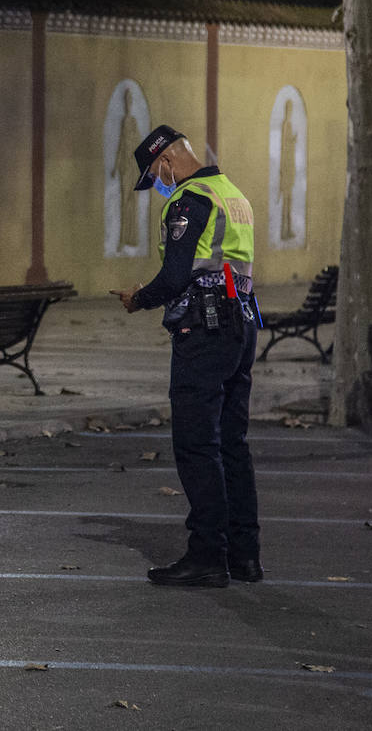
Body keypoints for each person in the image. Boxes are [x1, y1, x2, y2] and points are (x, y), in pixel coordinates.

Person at [111, 126, 262, 589]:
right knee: (233, 443)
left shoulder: (188, 200)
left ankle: (207, 555)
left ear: (166, 163)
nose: (158, 185)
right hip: (241, 324)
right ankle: (245, 555)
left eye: (155, 177)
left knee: (197, 443)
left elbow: (175, 276)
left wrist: (140, 298)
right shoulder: (232, 192)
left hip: (204, 330)